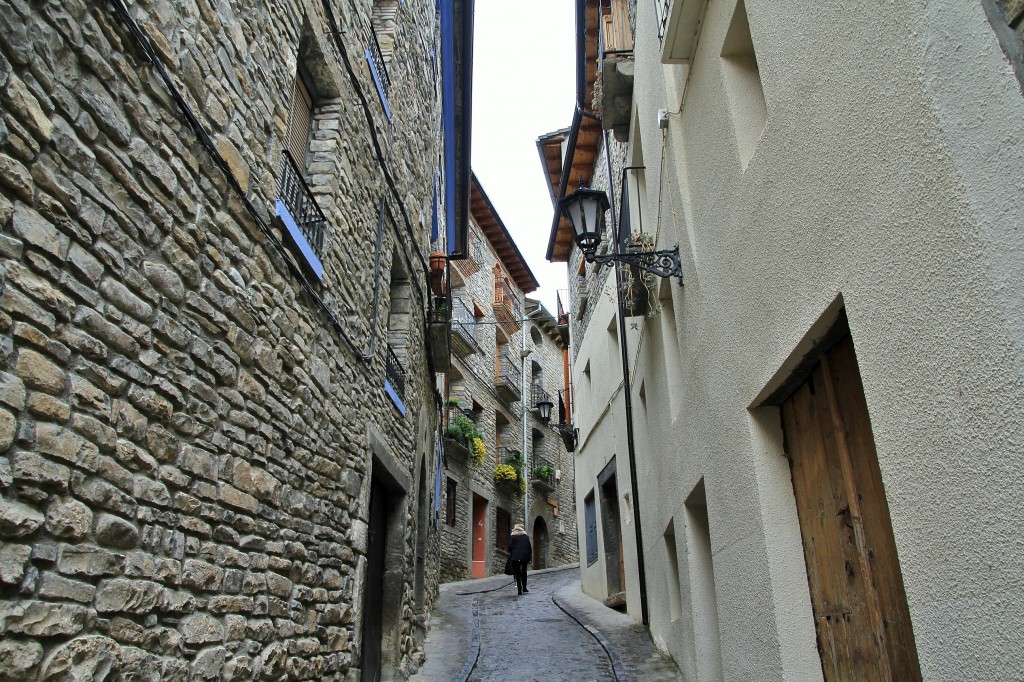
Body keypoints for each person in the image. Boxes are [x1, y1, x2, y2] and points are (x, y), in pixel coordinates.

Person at [507, 523, 532, 595]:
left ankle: (519, 590)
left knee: (517, 573)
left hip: (515, 556)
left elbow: (510, 546)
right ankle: (524, 588)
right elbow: (529, 548)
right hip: (524, 556)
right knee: (524, 572)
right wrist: (530, 558)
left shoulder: (512, 536)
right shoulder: (526, 536)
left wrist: (511, 551)